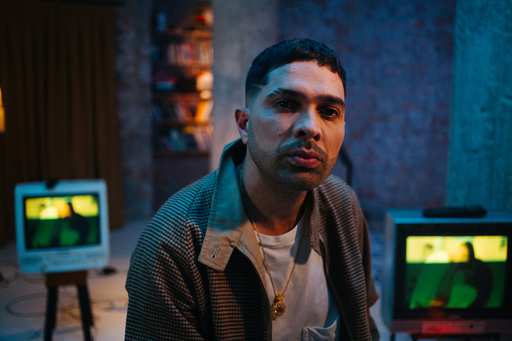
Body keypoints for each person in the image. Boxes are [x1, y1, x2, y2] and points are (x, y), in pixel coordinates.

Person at [125, 38, 379, 341]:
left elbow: (361, 324)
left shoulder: (343, 205)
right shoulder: (173, 243)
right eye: (286, 104)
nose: (311, 127)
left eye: (329, 111)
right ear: (244, 124)